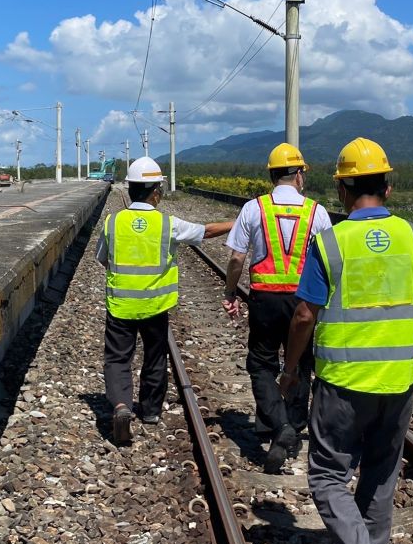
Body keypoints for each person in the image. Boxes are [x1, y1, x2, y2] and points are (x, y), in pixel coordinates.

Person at [282, 138, 413, 544]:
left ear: (341, 188)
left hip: (342, 386)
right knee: (380, 475)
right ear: (388, 185)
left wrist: (291, 369)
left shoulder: (331, 241)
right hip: (398, 383)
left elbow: (304, 313)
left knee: (328, 476)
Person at [97, 157, 231, 446]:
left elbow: (102, 259)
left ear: (131, 188)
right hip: (155, 306)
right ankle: (150, 412)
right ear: (155, 191)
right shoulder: (168, 223)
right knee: (155, 356)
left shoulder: (113, 221)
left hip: (120, 305)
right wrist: (237, 221)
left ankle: (121, 406)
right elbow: (205, 231)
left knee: (118, 358)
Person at [221, 143, 334, 472]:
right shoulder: (318, 212)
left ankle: (276, 424)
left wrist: (230, 291)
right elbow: (329, 261)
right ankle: (294, 425)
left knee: (261, 365)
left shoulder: (253, 209)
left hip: (265, 299)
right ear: (298, 174)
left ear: (272, 175)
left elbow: (237, 258)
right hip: (304, 301)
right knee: (299, 362)